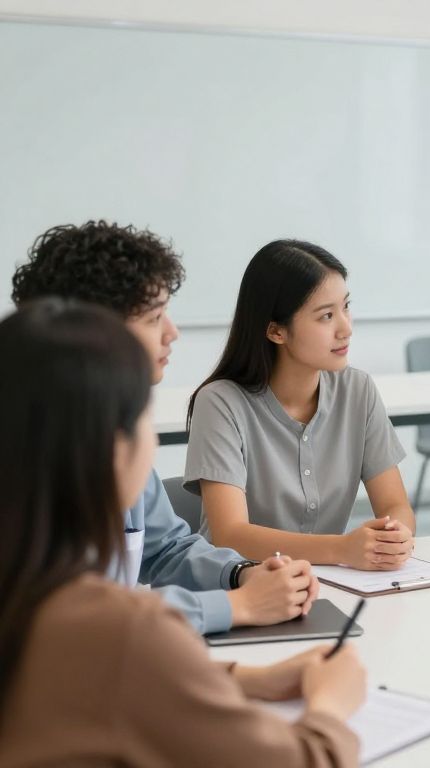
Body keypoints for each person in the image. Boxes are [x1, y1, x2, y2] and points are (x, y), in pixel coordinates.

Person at [0, 300, 365, 765]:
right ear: (114, 448)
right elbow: (299, 760)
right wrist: (332, 706)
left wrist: (240, 677)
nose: (171, 331)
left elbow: (89, 678)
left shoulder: (28, 592)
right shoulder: (121, 628)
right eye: (144, 419)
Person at [9, 221, 316, 634]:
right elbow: (79, 612)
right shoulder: (28, 451)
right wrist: (236, 606)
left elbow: (167, 547)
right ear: (93, 332)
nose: (172, 333)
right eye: (154, 318)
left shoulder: (109, 428)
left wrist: (242, 574)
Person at [185, 239, 415, 568]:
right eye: (325, 316)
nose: (346, 328)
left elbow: (395, 504)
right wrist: (342, 549)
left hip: (327, 586)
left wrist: (394, 536)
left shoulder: (358, 389)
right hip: (238, 590)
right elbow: (230, 535)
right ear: (276, 331)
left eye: (345, 307)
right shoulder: (220, 403)